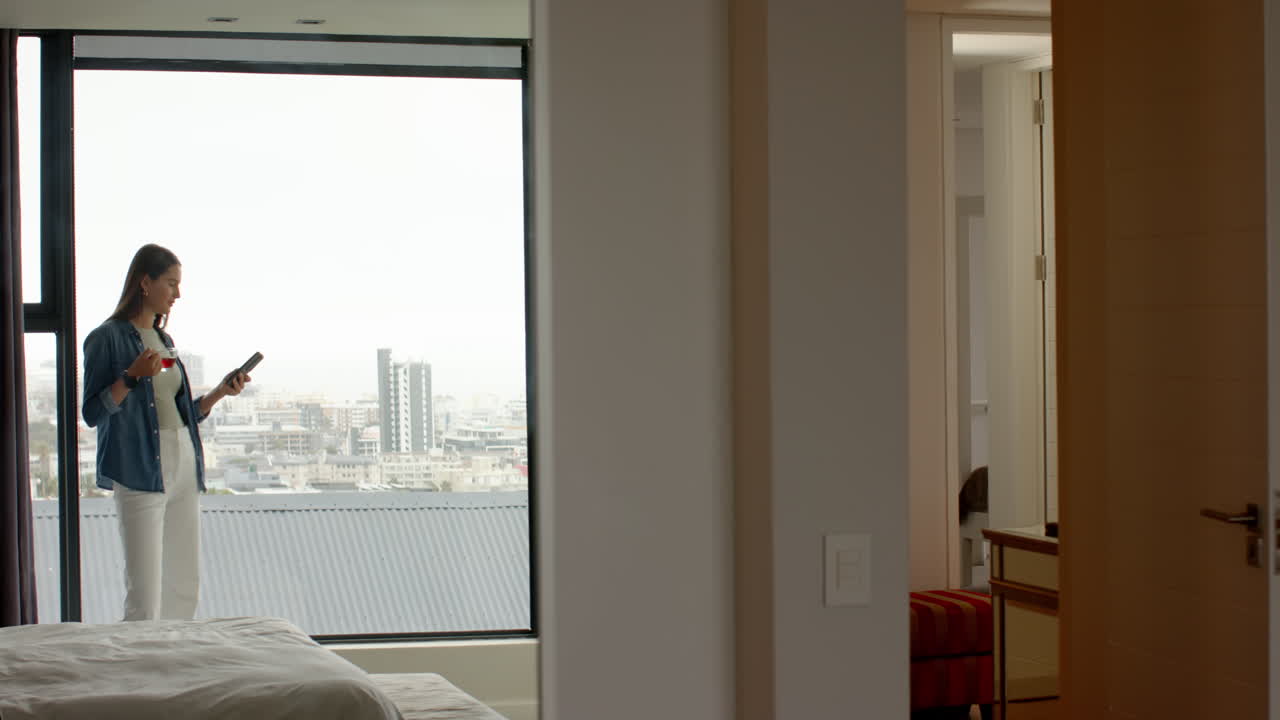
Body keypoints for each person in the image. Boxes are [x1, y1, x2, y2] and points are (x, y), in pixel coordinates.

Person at [82, 244, 250, 621]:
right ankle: (141, 672)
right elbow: (93, 412)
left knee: (183, 584)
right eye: (171, 284)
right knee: (144, 594)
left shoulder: (165, 341)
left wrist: (220, 392)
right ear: (146, 282)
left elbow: (179, 414)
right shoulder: (105, 339)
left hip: (182, 463)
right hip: (139, 469)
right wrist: (130, 377)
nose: (178, 294)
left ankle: (176, 667)